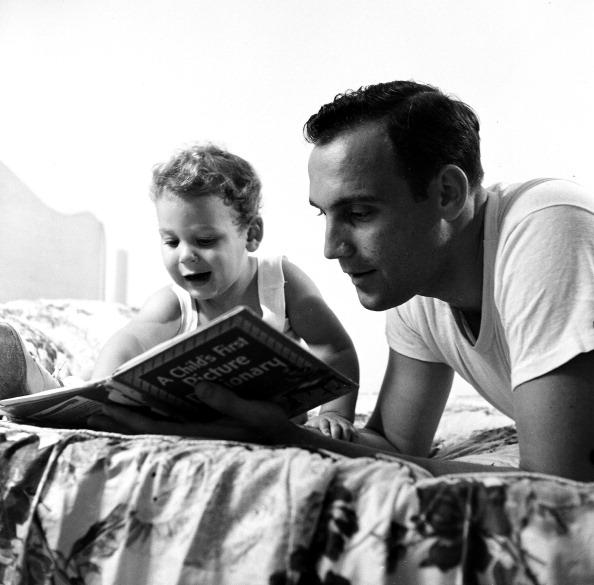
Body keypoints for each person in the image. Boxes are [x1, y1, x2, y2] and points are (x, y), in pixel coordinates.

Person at [88, 81, 594, 482]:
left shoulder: (546, 225)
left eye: (359, 212)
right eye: (325, 215)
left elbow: (558, 485)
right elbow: (397, 448)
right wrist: (276, 431)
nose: (331, 247)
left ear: (446, 193)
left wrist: (299, 441)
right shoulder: (416, 289)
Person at [0, 143, 359, 440]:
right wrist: (99, 393)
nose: (185, 255)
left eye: (204, 240)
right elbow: (126, 343)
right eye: (170, 240)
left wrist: (334, 415)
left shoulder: (279, 282)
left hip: (270, 423)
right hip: (194, 425)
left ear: (251, 235)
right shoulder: (173, 302)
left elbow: (334, 348)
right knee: (105, 406)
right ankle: (38, 382)